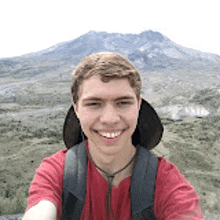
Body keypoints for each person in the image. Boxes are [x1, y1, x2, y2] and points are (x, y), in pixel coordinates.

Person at [23, 52, 205, 219]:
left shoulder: (165, 180)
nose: (110, 119)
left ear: (138, 105)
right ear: (76, 108)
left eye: (123, 103)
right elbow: (40, 210)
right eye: (94, 104)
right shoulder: (57, 172)